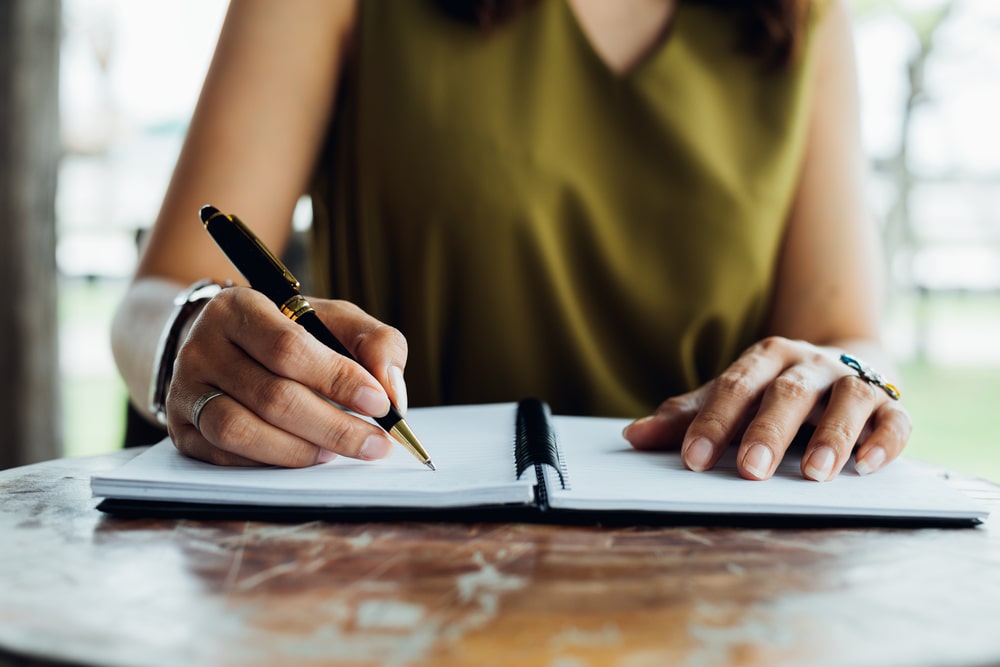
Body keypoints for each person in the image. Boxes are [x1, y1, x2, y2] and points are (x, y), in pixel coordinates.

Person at [111, 0, 912, 482]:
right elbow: (159, 295)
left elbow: (842, 338)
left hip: (723, 594)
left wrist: (840, 377)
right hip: (382, 577)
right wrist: (190, 333)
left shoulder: (802, 18)